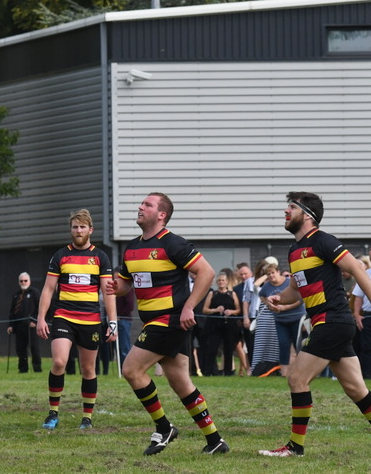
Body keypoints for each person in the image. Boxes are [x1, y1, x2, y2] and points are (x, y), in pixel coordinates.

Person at [259, 192, 371, 457]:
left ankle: (295, 447)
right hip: (329, 323)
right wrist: (279, 298)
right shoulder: (294, 250)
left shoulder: (324, 241)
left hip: (332, 321)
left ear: (307, 215)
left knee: (296, 378)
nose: (285, 212)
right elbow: (295, 290)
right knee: (356, 389)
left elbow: (358, 269)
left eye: (291, 207)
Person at [107, 193, 229, 456]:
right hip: (154, 321)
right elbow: (127, 283)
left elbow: (206, 272)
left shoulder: (173, 243)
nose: (140, 207)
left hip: (169, 320)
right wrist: (118, 287)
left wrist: (189, 307)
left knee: (131, 369)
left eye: (147, 205)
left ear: (161, 215)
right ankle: (215, 440)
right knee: (180, 382)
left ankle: (164, 428)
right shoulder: (131, 247)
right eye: (142, 203)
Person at [36, 209, 116, 430]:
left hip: (90, 320)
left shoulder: (100, 257)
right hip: (64, 317)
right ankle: (53, 413)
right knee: (59, 362)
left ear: (90, 230)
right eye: (75, 227)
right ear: (70, 230)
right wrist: (41, 318)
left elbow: (108, 292)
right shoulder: (60, 256)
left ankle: (87, 418)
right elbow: (48, 289)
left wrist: (112, 322)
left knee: (88, 369)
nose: (78, 231)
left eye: (82, 227)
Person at [258, 263, 305, 377]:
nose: (271, 276)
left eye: (273, 273)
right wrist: (269, 304)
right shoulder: (267, 286)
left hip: (296, 318)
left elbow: (301, 298)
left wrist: (286, 307)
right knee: (283, 344)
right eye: (268, 274)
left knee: (298, 345)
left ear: (278, 272)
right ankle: (284, 372)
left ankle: (302, 371)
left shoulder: (289, 282)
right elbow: (261, 295)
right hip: (280, 320)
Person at [199, 271, 241, 376]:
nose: (221, 282)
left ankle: (228, 371)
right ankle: (208, 371)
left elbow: (238, 310)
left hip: (229, 324)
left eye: (223, 280)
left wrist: (231, 312)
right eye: (219, 280)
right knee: (212, 348)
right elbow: (205, 310)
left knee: (229, 348)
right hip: (214, 325)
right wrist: (215, 310)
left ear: (227, 282)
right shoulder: (212, 294)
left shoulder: (232, 294)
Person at [351, 245, 371, 380]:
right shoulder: (365, 275)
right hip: (369, 316)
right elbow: (358, 296)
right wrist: (357, 314)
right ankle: (369, 376)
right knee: (366, 347)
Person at [6, 273, 42, 373]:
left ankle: (37, 368)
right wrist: (11, 325)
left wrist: (35, 321)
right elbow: (12, 311)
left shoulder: (34, 293)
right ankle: (23, 369)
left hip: (31, 326)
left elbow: (40, 308)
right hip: (19, 326)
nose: (23, 282)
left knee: (34, 348)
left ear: (29, 281)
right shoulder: (16, 295)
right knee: (20, 349)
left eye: (25, 280)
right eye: (21, 281)